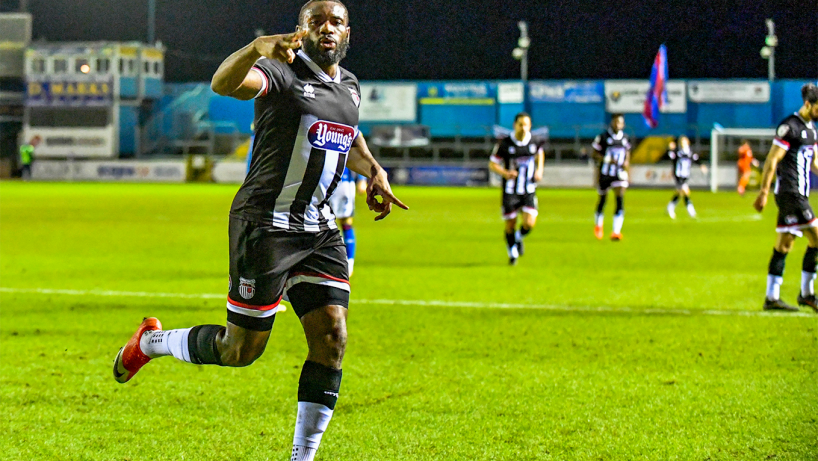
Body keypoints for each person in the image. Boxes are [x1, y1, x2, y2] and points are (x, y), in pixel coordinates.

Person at [112, 3, 408, 461]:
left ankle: (302, 456)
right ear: (301, 29)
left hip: (318, 227)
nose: (327, 29)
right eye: (317, 22)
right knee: (240, 350)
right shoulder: (280, 70)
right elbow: (223, 84)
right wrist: (254, 48)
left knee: (333, 337)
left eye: (336, 23)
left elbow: (347, 134)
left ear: (348, 32)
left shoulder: (349, 86)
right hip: (264, 225)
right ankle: (152, 342)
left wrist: (374, 170)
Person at [753, 83, 818, 312]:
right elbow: (772, 160)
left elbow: (814, 162)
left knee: (784, 245)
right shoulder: (789, 127)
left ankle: (772, 297)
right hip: (790, 193)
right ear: (808, 104)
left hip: (799, 193)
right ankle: (807, 294)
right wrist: (763, 192)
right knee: (817, 239)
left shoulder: (812, 129)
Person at [488, 112, 545, 265]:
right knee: (510, 224)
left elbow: (540, 154)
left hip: (529, 188)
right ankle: (512, 254)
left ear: (530, 125)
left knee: (529, 223)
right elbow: (492, 164)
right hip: (510, 191)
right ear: (515, 125)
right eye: (520, 124)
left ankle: (518, 238)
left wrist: (539, 170)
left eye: (526, 124)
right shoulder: (505, 144)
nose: (523, 128)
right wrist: (505, 173)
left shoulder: (534, 141)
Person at [592, 114, 631, 241]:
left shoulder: (625, 138)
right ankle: (598, 225)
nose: (618, 125)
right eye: (616, 122)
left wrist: (626, 166)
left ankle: (616, 231)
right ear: (612, 123)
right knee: (603, 200)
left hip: (619, 173)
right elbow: (594, 154)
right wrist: (608, 160)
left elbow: (628, 154)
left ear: (623, 124)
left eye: (620, 122)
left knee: (620, 198)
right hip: (605, 173)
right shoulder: (603, 137)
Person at [329, 167, 367, 275]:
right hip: (323, 180)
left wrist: (362, 179)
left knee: (346, 222)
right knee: (321, 221)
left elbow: (356, 152)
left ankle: (349, 263)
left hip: (343, 182)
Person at [666, 135, 707, 219]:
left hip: (685, 175)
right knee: (685, 191)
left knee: (680, 192)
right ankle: (690, 210)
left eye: (684, 141)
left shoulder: (690, 152)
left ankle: (670, 206)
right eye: (681, 142)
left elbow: (696, 159)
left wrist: (701, 166)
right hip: (678, 175)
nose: (683, 143)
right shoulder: (678, 152)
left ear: (688, 142)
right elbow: (671, 156)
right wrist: (670, 149)